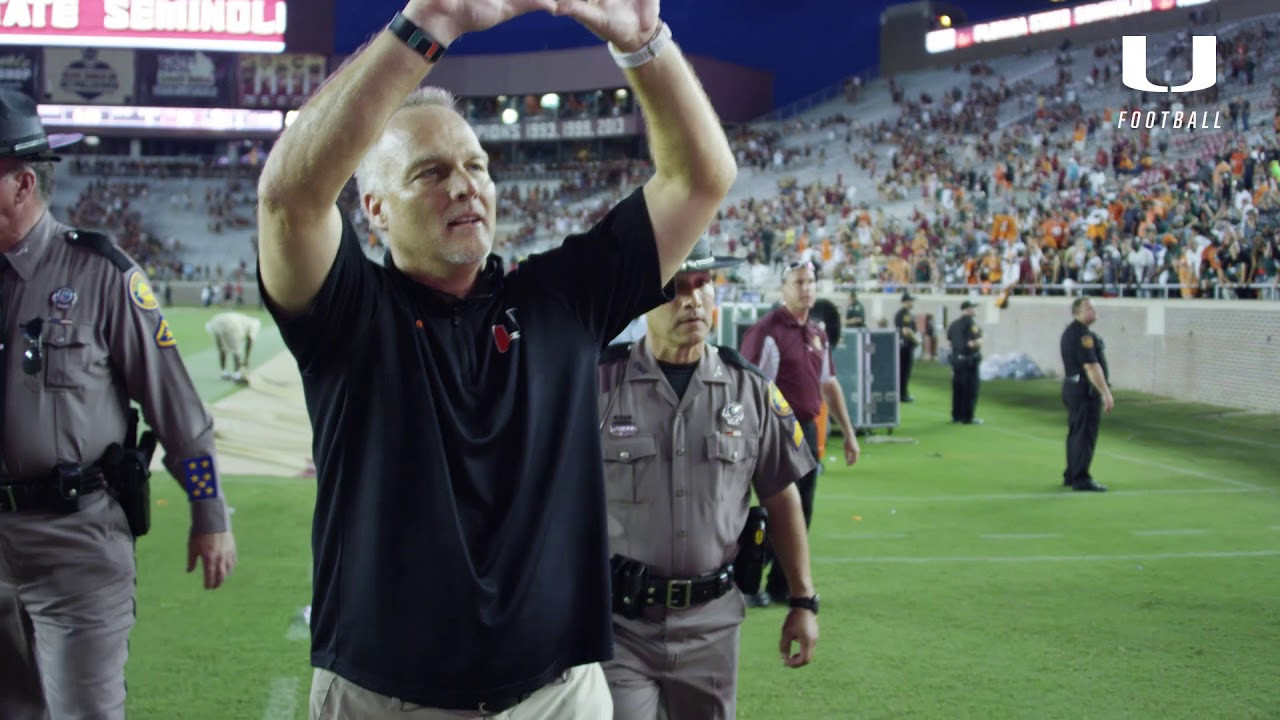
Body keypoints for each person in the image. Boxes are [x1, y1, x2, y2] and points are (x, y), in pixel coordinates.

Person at [254, 0, 737, 716]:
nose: (464, 184)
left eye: (476, 165)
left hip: (559, 695)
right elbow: (289, 198)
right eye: (429, 173)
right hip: (386, 700)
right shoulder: (350, 314)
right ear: (376, 208)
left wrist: (643, 43)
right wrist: (434, 20)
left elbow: (699, 179)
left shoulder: (561, 299)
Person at [0, 87, 236, 720]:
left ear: (22, 185)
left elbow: (178, 411)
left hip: (75, 547)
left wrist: (210, 511)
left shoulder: (101, 275)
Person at [598, 240, 818, 719]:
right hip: (619, 627)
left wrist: (803, 599)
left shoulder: (751, 390)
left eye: (702, 285)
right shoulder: (597, 385)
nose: (692, 299)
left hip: (712, 628)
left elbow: (781, 496)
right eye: (674, 289)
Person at [739, 261, 858, 607]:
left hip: (805, 432)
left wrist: (848, 434)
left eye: (811, 281)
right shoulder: (766, 331)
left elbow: (829, 385)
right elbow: (748, 388)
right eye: (799, 282)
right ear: (784, 289)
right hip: (774, 434)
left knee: (801, 513)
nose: (806, 287)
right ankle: (747, 585)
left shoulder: (817, 333)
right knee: (772, 513)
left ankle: (781, 584)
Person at [1059, 297, 1112, 492]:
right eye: (1089, 308)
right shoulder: (1083, 335)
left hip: (1072, 387)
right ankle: (1081, 478)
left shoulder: (1072, 332)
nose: (1093, 310)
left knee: (1076, 432)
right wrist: (1106, 393)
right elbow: (1091, 366)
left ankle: (1072, 473)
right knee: (1084, 434)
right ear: (1077, 313)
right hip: (1083, 390)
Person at [947, 300, 983, 424]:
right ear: (968, 309)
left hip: (956, 360)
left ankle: (956, 415)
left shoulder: (953, 324)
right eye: (973, 308)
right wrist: (978, 342)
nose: (974, 311)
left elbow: (950, 342)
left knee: (957, 388)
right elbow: (971, 343)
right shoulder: (971, 324)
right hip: (968, 361)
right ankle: (968, 417)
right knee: (970, 389)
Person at [204, 310, 262, 382]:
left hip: (216, 321)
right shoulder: (255, 324)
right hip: (232, 323)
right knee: (236, 350)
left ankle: (223, 373)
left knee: (222, 348)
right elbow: (250, 340)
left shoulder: (246, 319)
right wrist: (246, 359)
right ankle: (237, 375)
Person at [894, 291, 918, 402]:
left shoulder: (905, 314)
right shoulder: (904, 315)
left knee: (903, 371)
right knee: (904, 371)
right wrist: (916, 340)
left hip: (904, 346)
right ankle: (903, 394)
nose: (912, 303)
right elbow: (906, 330)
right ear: (905, 302)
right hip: (905, 346)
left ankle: (902, 393)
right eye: (911, 301)